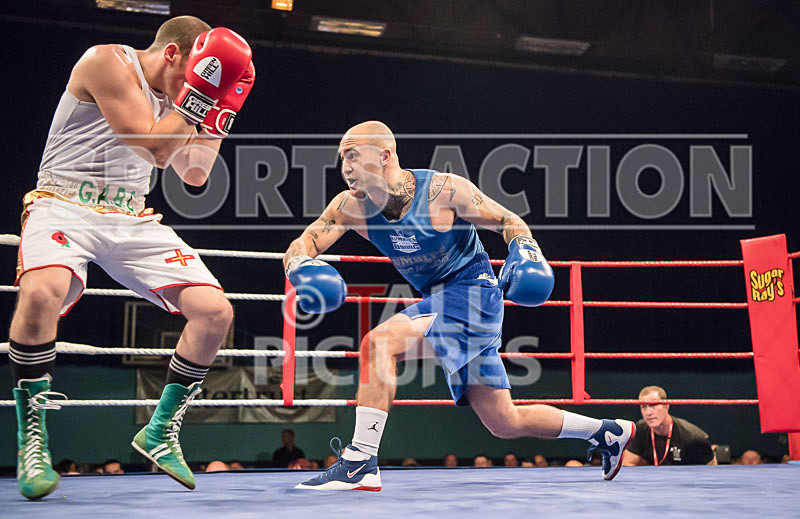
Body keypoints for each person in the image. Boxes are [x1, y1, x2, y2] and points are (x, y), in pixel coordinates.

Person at [285, 121, 635, 491]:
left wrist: (526, 250)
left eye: (353, 155)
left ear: (385, 155)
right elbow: (304, 242)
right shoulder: (348, 206)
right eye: (342, 158)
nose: (345, 166)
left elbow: (509, 221)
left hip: (472, 295)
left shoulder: (443, 190)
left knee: (378, 343)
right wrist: (299, 265)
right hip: (439, 303)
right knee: (504, 422)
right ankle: (606, 432)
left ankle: (360, 462)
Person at [8, 15, 255, 499]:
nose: (190, 90)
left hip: (130, 216)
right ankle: (31, 439)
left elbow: (195, 172)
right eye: (192, 76)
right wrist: (201, 95)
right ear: (173, 54)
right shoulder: (107, 61)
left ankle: (160, 431)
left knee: (214, 312)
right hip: (63, 205)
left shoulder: (184, 96)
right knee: (41, 292)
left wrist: (222, 110)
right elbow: (156, 150)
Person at [623, 386, 716, 466]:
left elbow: (712, 472)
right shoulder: (640, 429)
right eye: (643, 406)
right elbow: (628, 464)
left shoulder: (693, 437)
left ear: (666, 406)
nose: (648, 413)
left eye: (653, 405)